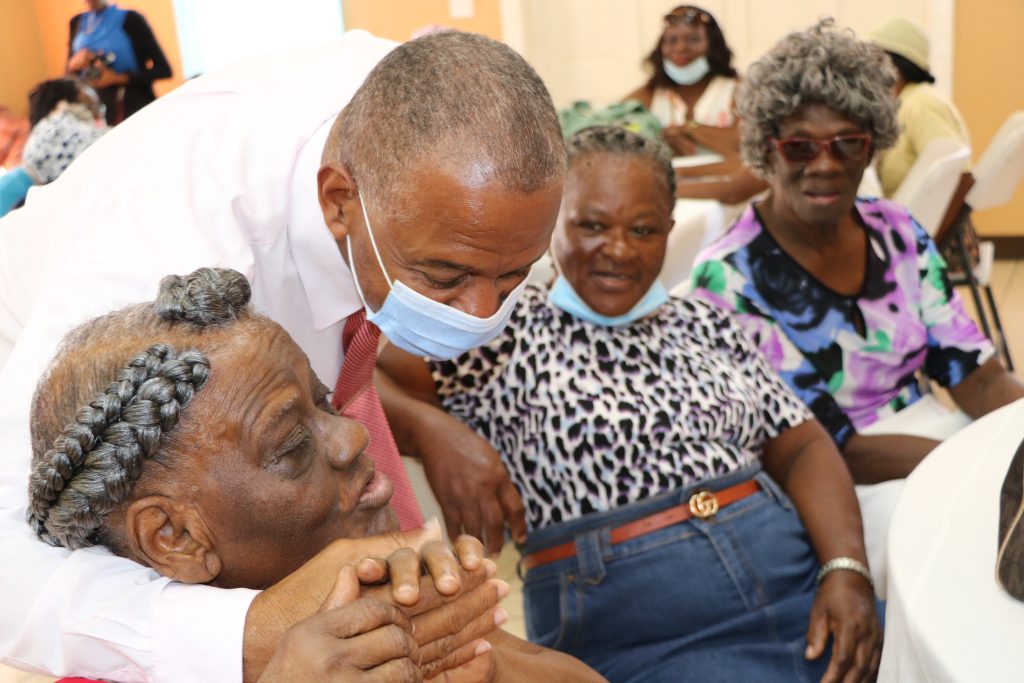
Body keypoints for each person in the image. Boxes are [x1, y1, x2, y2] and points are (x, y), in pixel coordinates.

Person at [0, 30, 566, 682]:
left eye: (515, 275)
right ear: (338, 202)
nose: (481, 315)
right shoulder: (158, 264)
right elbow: (15, 570)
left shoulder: (404, 103)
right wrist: (248, 630)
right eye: (444, 274)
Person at [378, 126, 881, 682]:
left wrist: (846, 569)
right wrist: (436, 433)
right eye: (592, 225)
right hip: (646, 635)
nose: (618, 250)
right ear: (550, 225)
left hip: (795, 590)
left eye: (643, 230)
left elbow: (803, 445)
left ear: (669, 231)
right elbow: (359, 378)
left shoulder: (705, 322)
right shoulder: (501, 328)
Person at [26, 267, 603, 682]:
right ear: (175, 537)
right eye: (294, 445)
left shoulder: (401, 593)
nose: (354, 437)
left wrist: (479, 660)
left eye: (325, 404)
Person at [688, 20, 1024, 591]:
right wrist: (972, 464)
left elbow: (977, 377)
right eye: (800, 145)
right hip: (834, 486)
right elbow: (829, 445)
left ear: (873, 143)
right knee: (961, 560)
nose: (826, 163)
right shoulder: (728, 279)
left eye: (849, 142)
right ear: (766, 148)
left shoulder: (898, 233)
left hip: (933, 442)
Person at [624, 5, 764, 204]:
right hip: (666, 199)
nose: (680, 48)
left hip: (725, 200)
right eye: (671, 40)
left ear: (713, 45)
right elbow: (616, 135)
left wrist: (689, 129)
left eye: (693, 39)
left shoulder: (737, 89)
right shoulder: (649, 94)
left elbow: (742, 150)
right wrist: (661, 135)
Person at [869, 17, 970, 198]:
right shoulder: (899, 103)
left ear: (895, 67)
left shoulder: (922, 103)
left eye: (874, 62)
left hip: (927, 225)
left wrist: (928, 228)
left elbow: (959, 179)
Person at [0, 79, 107, 218]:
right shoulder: (56, 126)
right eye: (90, 106)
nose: (98, 114)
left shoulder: (43, 134)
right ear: (62, 105)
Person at [67, 0, 172, 124]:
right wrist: (74, 64)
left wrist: (118, 78)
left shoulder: (132, 19)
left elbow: (164, 70)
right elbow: (67, 76)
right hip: (97, 112)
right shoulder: (77, 23)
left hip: (135, 106)